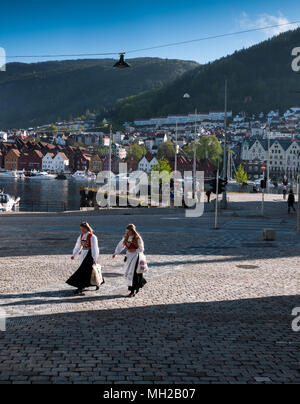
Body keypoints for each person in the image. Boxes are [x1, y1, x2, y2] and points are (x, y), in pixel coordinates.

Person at [66, 222, 102, 295]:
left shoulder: (92, 237)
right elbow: (78, 246)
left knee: (84, 271)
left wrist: (94, 258)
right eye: (81, 229)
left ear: (86, 228)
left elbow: (95, 248)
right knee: (87, 271)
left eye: (83, 229)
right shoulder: (81, 236)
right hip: (83, 253)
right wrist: (74, 254)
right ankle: (95, 283)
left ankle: (80, 287)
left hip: (89, 254)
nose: (82, 230)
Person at [113, 224, 147, 298]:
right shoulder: (126, 238)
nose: (127, 233)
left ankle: (132, 291)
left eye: (129, 232)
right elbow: (120, 246)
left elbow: (142, 249)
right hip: (128, 257)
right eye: (127, 232)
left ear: (132, 231)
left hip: (135, 257)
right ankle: (141, 282)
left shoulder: (138, 238)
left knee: (133, 274)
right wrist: (116, 253)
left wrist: (134, 250)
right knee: (129, 272)